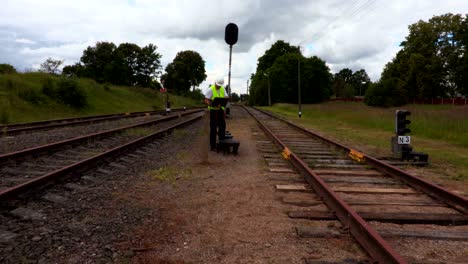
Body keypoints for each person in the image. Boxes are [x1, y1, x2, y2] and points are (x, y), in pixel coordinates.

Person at [204, 76, 229, 151]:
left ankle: (221, 143)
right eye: (217, 85)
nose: (218, 86)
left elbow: (226, 97)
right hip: (213, 111)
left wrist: (224, 107)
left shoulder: (222, 88)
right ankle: (213, 146)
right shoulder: (210, 89)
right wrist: (211, 104)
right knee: (213, 129)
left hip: (220, 110)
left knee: (222, 127)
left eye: (219, 85)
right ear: (215, 83)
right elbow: (206, 100)